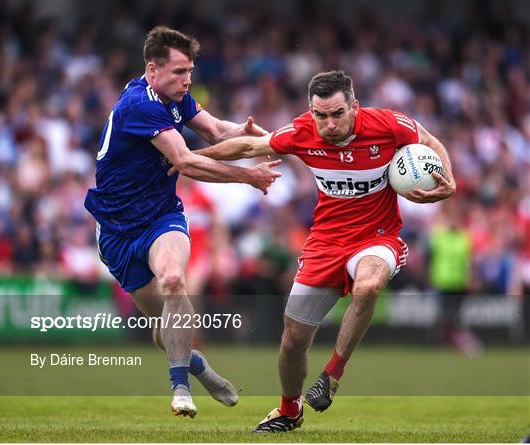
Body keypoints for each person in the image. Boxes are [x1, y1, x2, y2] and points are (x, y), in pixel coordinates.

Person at [192, 70, 456, 432]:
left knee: (368, 285)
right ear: (310, 110)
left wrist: (450, 182)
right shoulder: (301, 132)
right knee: (293, 340)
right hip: (325, 242)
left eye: (337, 114)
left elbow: (429, 140)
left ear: (354, 107)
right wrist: (184, 158)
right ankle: (288, 410)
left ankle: (331, 375)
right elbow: (249, 147)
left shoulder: (389, 124)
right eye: (321, 115)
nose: (328, 124)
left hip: (378, 235)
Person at [83, 26, 281, 418]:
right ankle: (198, 366)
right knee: (165, 328)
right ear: (152, 71)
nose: (187, 79)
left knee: (174, 281)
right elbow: (186, 161)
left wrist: (258, 136)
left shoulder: (174, 96)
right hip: (117, 233)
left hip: (161, 217)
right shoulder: (140, 104)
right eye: (178, 72)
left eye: (189, 70)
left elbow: (215, 132)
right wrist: (249, 174)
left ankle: (180, 389)